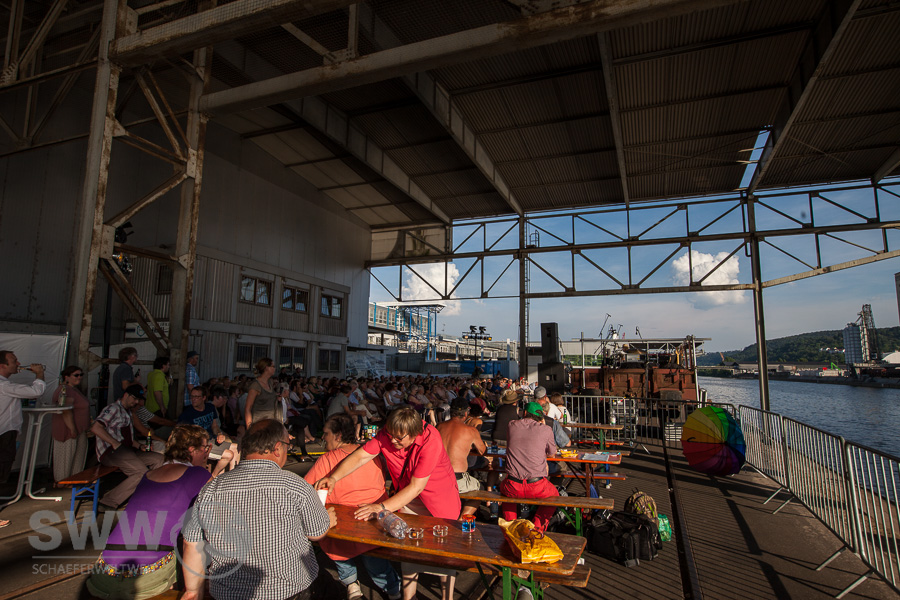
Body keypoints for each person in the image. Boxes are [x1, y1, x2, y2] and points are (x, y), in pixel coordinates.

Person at [181, 420, 336, 600]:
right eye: (287, 446)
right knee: (331, 588)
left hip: (226, 593)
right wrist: (327, 520)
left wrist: (192, 591)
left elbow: (191, 544)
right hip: (289, 590)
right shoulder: (295, 486)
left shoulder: (211, 490)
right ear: (277, 448)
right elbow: (316, 533)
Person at [316, 407, 460, 600]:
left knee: (443, 554)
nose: (392, 441)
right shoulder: (390, 433)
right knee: (409, 551)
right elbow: (361, 456)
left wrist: (381, 507)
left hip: (438, 501)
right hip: (407, 498)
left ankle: (446, 597)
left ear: (414, 433)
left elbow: (416, 487)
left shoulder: (431, 440)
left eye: (399, 438)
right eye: (390, 435)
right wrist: (334, 477)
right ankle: (408, 597)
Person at [85, 425, 212, 600]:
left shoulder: (149, 475)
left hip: (103, 576)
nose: (207, 453)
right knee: (195, 545)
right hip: (140, 581)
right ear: (192, 450)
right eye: (205, 448)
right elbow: (221, 503)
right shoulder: (197, 474)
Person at [304, 414, 401, 600]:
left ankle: (351, 584)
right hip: (375, 520)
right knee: (375, 561)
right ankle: (393, 590)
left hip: (345, 523)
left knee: (335, 542)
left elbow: (306, 489)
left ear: (338, 436)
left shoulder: (327, 459)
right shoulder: (371, 454)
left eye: (326, 433)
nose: (323, 437)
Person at [0, 351, 45, 527]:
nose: (18, 363)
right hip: (4, 435)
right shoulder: (4, 385)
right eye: (14, 361)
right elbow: (36, 392)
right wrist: (39, 374)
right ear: (3, 365)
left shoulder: (5, 385)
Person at [501, 402, 558, 532]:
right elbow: (552, 453)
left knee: (505, 493)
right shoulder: (546, 429)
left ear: (525, 413)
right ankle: (537, 528)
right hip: (537, 486)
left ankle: (511, 527)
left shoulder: (512, 425)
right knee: (554, 495)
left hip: (513, 485)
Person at [435, 398, 487, 517]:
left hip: (437, 476)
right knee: (480, 489)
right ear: (465, 414)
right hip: (457, 479)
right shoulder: (471, 430)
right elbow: (483, 451)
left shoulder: (439, 426)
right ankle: (462, 519)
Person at [178, 385, 238, 477]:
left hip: (211, 439)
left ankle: (232, 477)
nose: (193, 399)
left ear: (204, 398)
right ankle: (213, 477)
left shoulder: (210, 408)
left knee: (235, 447)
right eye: (192, 396)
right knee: (229, 454)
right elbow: (181, 433)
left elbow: (215, 426)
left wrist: (219, 434)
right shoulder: (187, 414)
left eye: (196, 397)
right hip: (199, 444)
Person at [50, 365, 91, 483]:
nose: (79, 377)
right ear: (66, 377)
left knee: (77, 457)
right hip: (69, 430)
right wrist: (72, 429)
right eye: (76, 375)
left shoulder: (74, 389)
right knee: (66, 457)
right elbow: (66, 410)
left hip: (80, 429)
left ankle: (73, 480)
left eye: (81, 375)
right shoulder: (65, 390)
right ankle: (62, 481)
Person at [244, 357, 281, 427]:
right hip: (259, 424)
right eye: (273, 366)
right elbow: (248, 408)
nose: (275, 369)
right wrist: (249, 428)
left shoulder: (270, 382)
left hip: (271, 422)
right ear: (266, 368)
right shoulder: (255, 385)